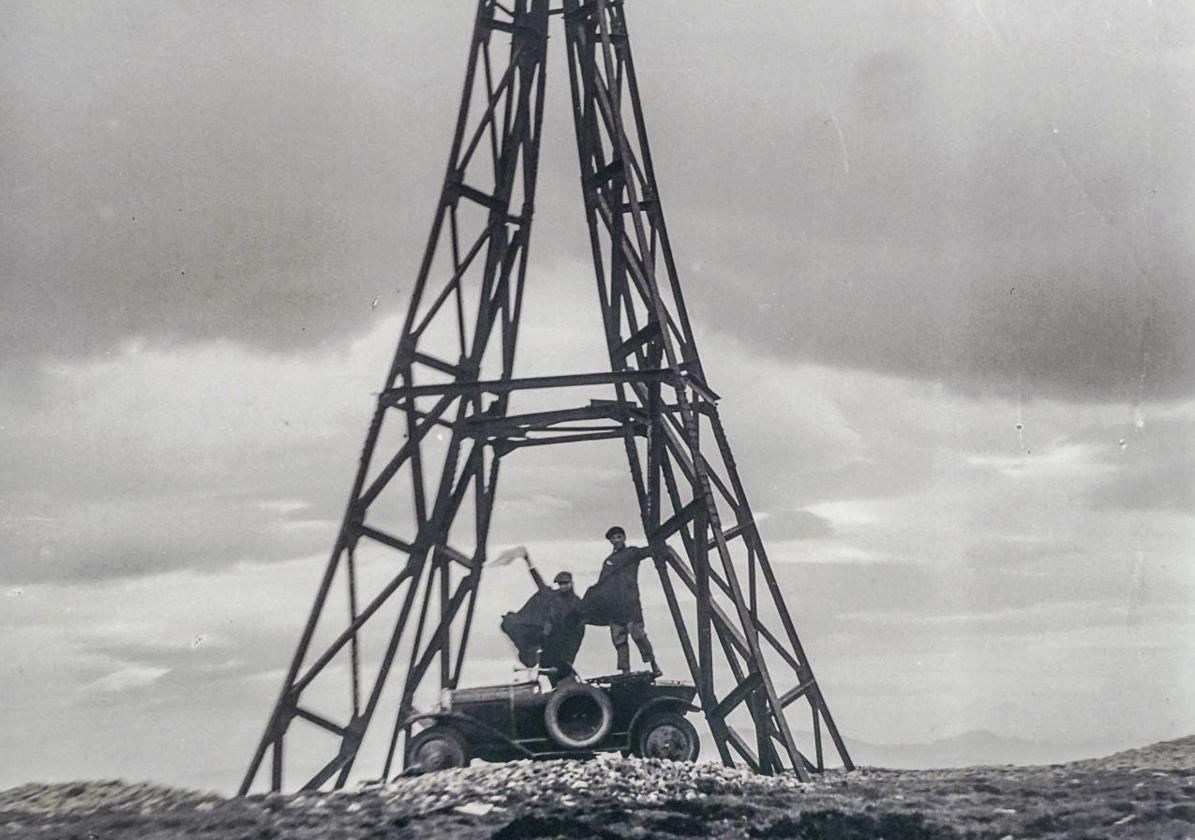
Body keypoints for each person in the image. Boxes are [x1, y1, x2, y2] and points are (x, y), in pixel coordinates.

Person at [580, 525, 662, 678]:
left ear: (624, 537)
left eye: (618, 537)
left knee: (639, 635)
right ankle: (625, 671)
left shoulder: (632, 553)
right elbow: (602, 584)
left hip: (630, 604)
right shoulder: (608, 561)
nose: (615, 540)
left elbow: (646, 552)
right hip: (613, 607)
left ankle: (653, 664)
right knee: (619, 640)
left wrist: (660, 547)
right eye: (613, 538)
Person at [494, 547, 584, 684]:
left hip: (565, 645)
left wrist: (570, 654)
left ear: (571, 584)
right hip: (549, 643)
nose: (562, 586)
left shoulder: (576, 603)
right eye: (560, 584)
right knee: (549, 671)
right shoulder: (552, 596)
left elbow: (578, 631)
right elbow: (539, 583)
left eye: (565, 583)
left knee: (563, 672)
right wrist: (528, 562)